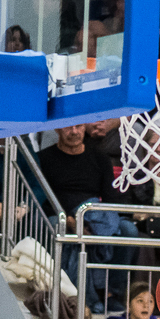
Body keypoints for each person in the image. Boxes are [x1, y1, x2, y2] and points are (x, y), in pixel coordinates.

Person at [37, 123, 131, 288]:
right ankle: (61, 287)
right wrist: (69, 220)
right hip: (59, 213)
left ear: (84, 128)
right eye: (68, 127)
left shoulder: (100, 158)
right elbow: (42, 199)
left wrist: (97, 222)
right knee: (56, 226)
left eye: (79, 126)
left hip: (94, 213)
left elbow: (110, 198)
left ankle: (112, 290)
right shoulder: (44, 158)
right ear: (57, 128)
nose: (74, 132)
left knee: (129, 230)